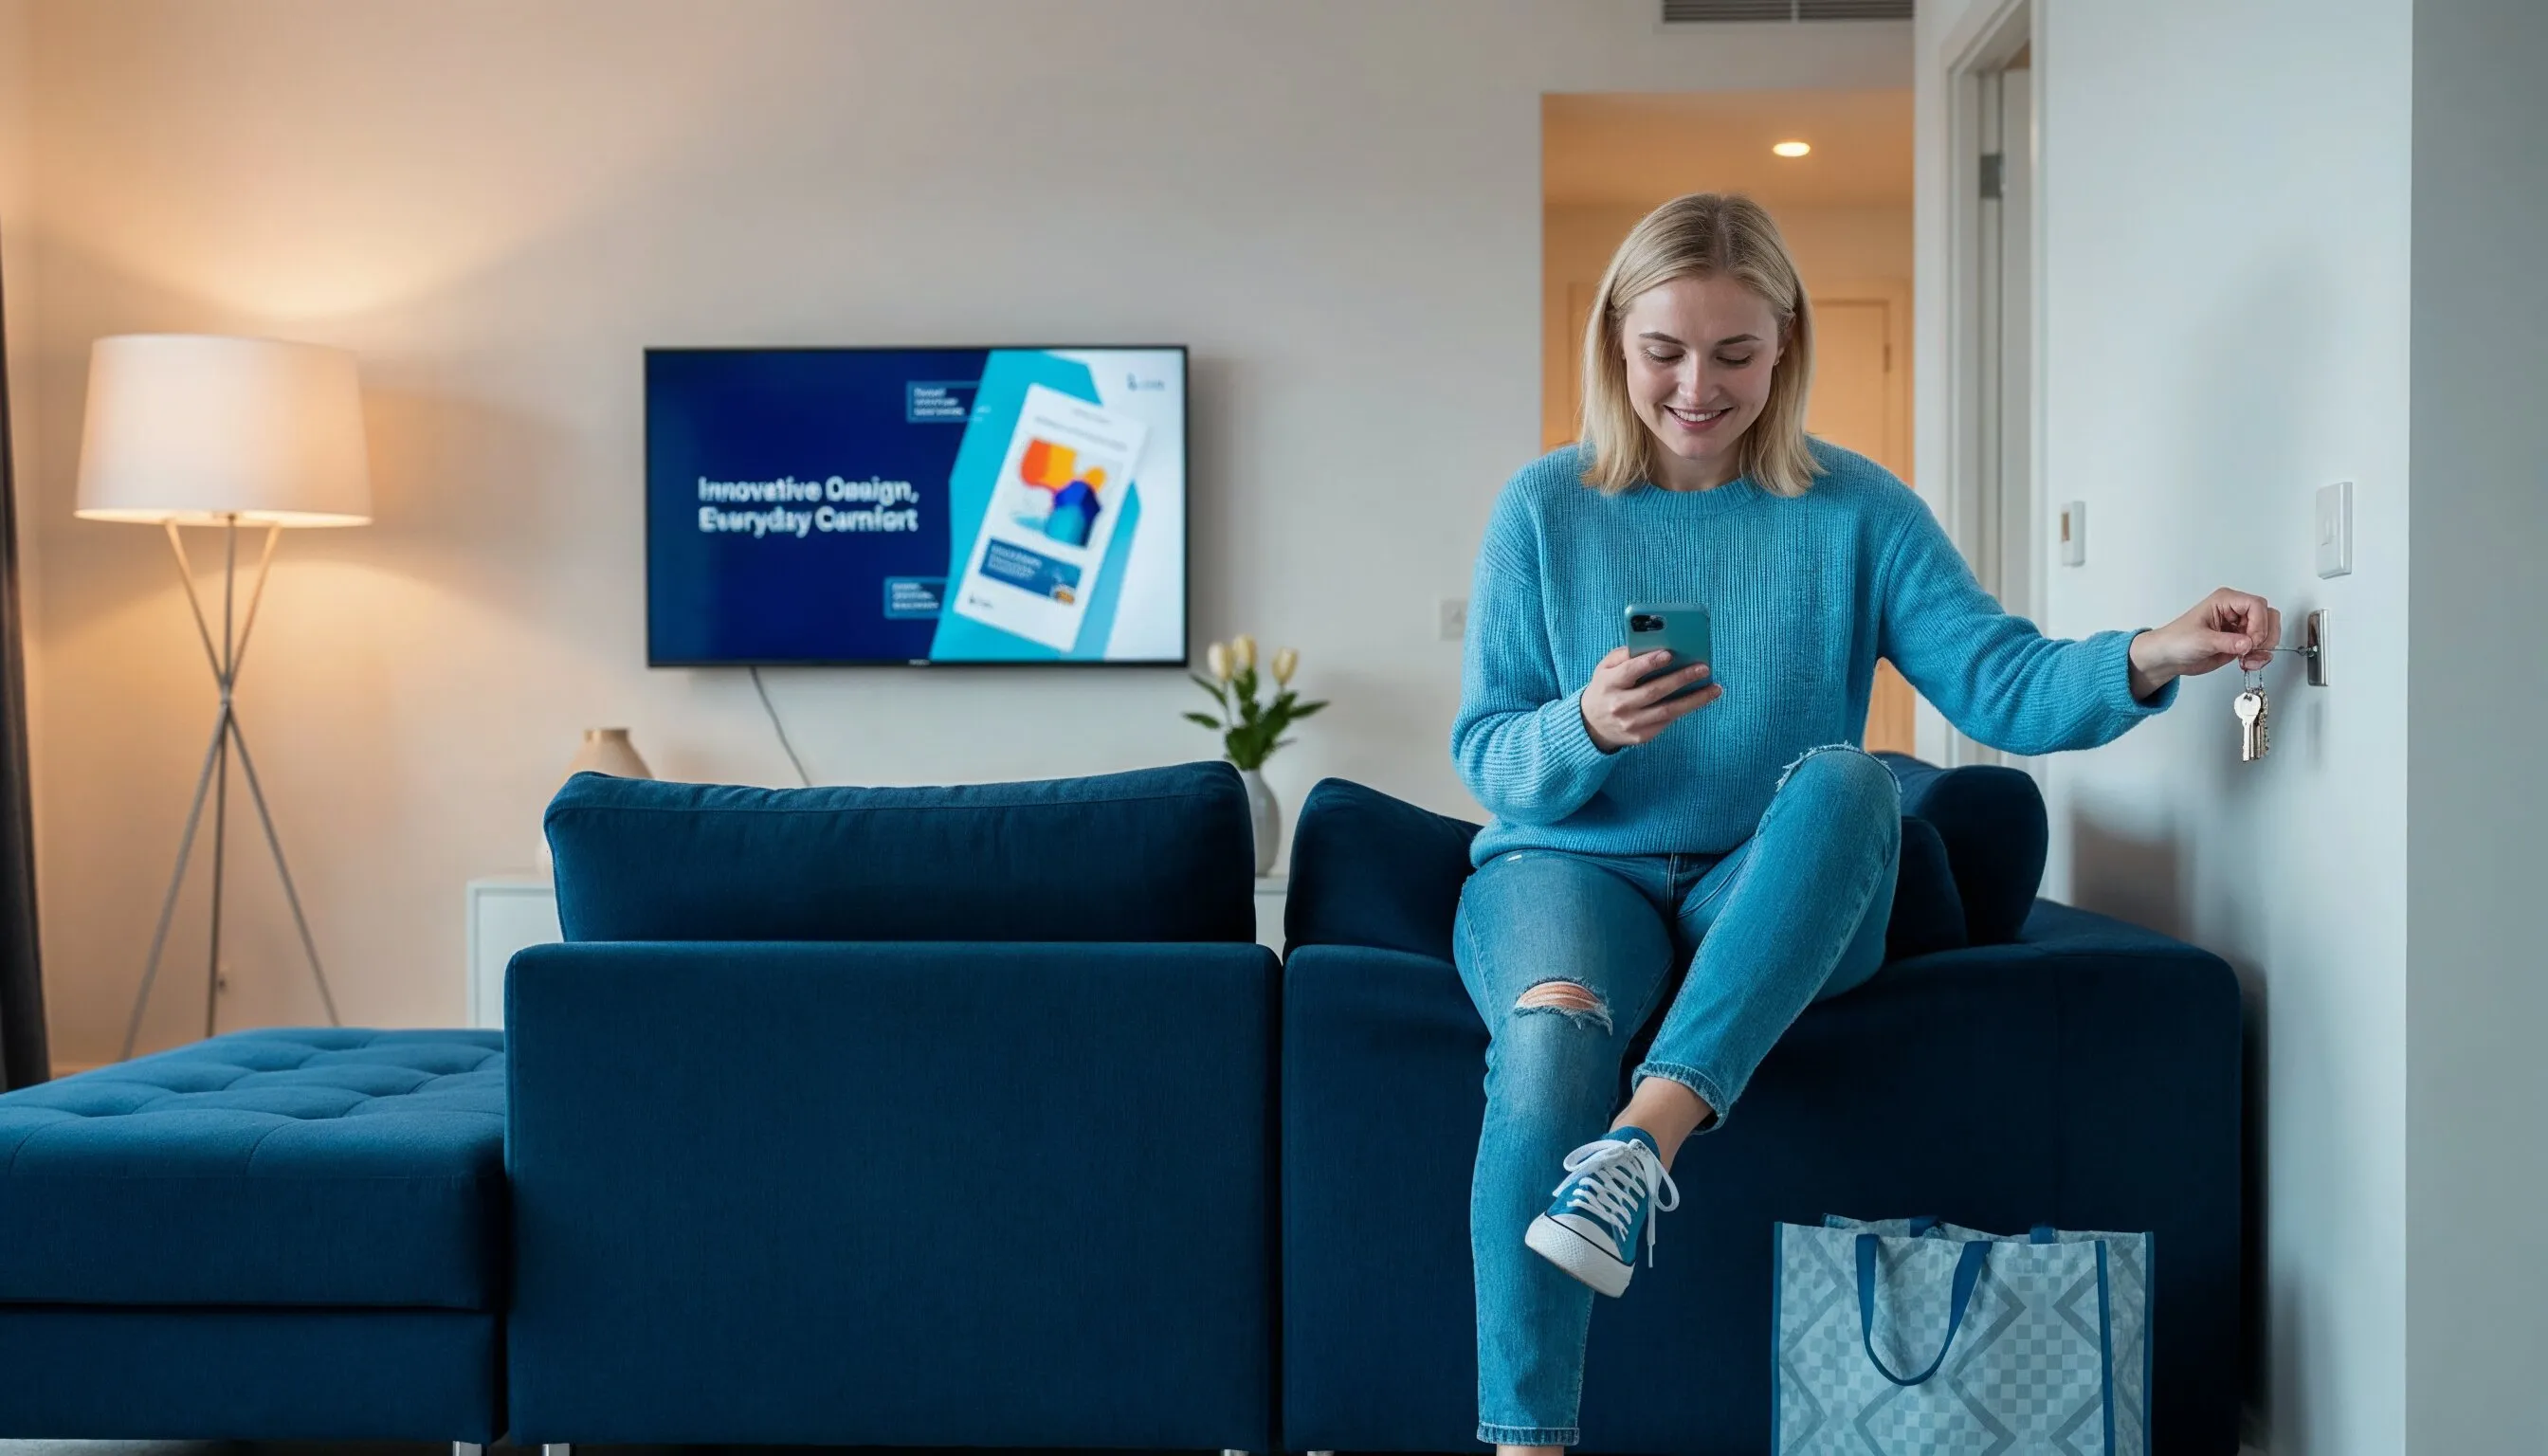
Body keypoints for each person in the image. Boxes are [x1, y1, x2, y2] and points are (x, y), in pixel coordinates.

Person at [1447, 191, 2277, 1453]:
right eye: (1665, 351)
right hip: (1571, 865)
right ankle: (1525, 1442)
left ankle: (1641, 1147)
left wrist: (2155, 651)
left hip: (1767, 887)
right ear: (1616, 340)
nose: (1696, 389)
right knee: (1554, 1037)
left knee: (1847, 778)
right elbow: (1489, 758)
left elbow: (1999, 679)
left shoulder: (1855, 508)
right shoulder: (1546, 508)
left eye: (1734, 353)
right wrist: (1587, 727)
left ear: (1785, 346)